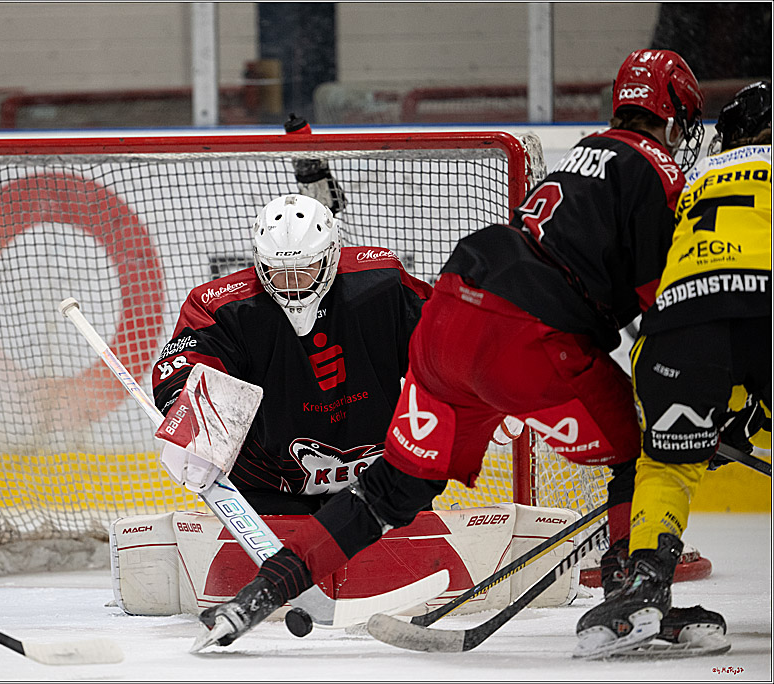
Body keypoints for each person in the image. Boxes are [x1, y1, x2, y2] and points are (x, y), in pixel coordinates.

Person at [193, 48, 708, 649]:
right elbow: (665, 306)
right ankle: (633, 600)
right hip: (524, 339)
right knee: (645, 453)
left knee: (390, 492)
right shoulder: (657, 171)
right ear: (674, 117)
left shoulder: (580, 158)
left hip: (448, 320)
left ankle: (258, 596)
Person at [575, 80, 772, 658]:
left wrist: (724, 415)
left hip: (677, 326)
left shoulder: (696, 180)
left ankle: (643, 585)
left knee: (666, 467)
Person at [152, 183, 434, 514]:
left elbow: (440, 350)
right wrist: (191, 420)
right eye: (278, 271)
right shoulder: (224, 307)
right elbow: (183, 365)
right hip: (268, 482)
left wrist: (474, 395)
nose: (292, 284)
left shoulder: (380, 285)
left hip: (382, 476)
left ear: (332, 254)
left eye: (305, 269)